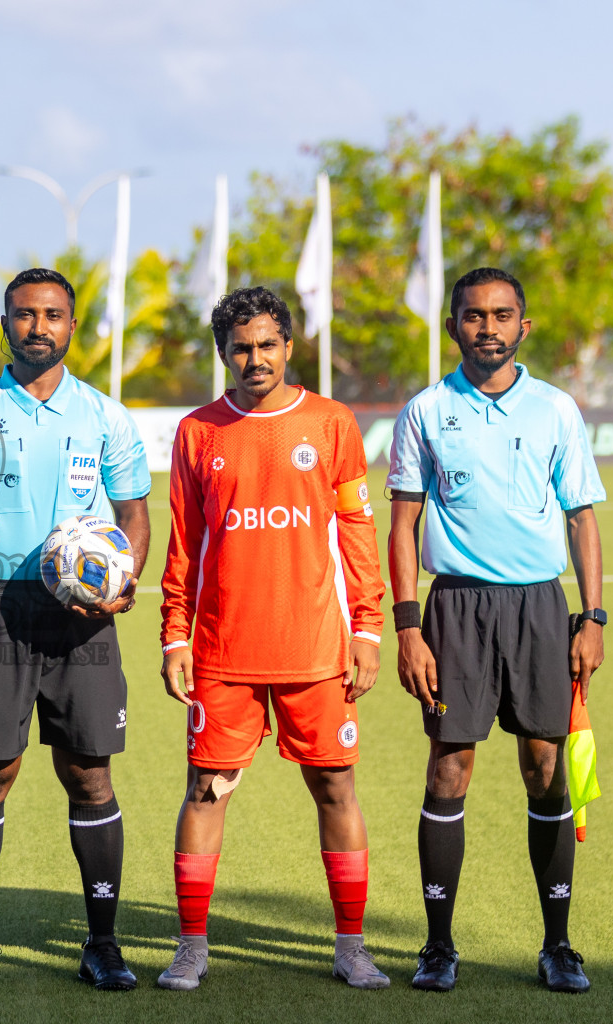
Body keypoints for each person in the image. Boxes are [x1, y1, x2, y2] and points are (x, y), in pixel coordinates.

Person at [156, 286, 390, 992]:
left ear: (288, 345)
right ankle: (191, 946)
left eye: (266, 345)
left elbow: (356, 530)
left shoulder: (331, 422)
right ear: (223, 354)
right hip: (223, 650)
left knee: (336, 787)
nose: (254, 359)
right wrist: (175, 637)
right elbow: (184, 544)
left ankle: (351, 946)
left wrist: (368, 627)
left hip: (316, 647)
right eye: (240, 348)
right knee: (206, 791)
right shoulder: (198, 432)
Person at [0, 267, 151, 994]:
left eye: (53, 314)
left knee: (89, 773)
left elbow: (134, 514)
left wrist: (121, 582)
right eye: (25, 315)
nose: (38, 327)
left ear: (72, 326)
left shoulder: (105, 416)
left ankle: (103, 944)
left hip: (84, 618)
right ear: (5, 325)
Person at [387, 267, 605, 994]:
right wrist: (409, 627)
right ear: (453, 326)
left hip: (539, 607)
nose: (488, 328)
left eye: (502, 315)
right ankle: (438, 946)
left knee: (544, 767)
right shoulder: (424, 411)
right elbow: (403, 524)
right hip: (455, 609)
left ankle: (559, 945)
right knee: (449, 766)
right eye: (474, 316)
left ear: (523, 325)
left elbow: (581, 517)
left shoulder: (556, 409)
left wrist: (593, 616)